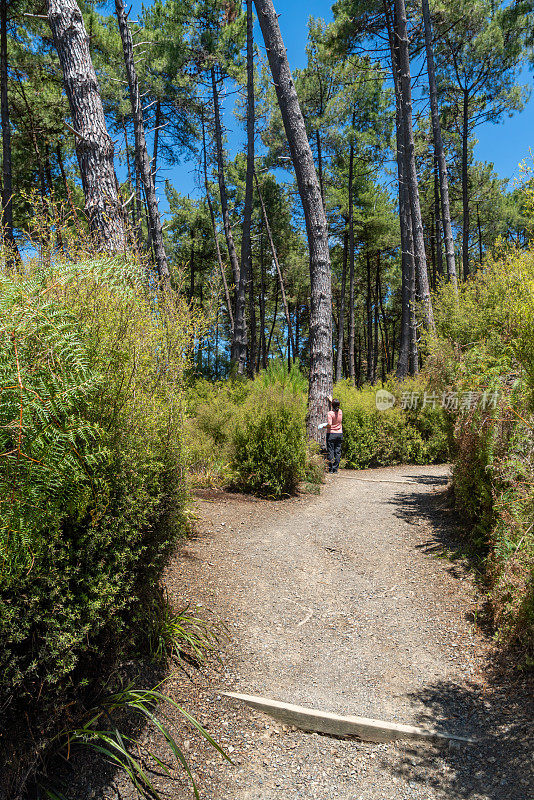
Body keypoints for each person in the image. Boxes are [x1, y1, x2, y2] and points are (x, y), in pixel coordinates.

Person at [326, 398, 343, 474]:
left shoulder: (330, 413)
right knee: (337, 452)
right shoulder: (340, 412)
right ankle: (335, 469)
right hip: (339, 433)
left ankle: (330, 469)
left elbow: (329, 424)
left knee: (331, 451)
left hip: (331, 434)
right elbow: (335, 410)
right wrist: (331, 401)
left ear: (331, 405)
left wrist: (323, 426)